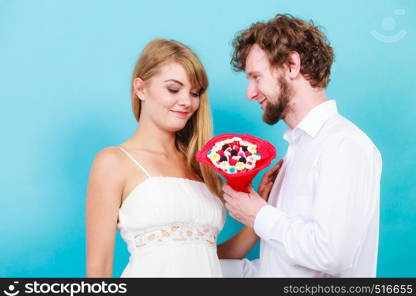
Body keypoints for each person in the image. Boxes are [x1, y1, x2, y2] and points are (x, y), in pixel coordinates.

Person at [218, 14, 382, 277]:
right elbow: (287, 269)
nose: (250, 93)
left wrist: (259, 215)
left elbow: (332, 255)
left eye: (256, 77)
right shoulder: (298, 150)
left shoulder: (343, 144)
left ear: (292, 65)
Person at [86, 39, 226, 277]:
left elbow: (205, 255)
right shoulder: (114, 162)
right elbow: (99, 269)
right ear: (140, 89)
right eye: (173, 89)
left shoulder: (201, 166)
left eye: (194, 93)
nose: (186, 102)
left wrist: (258, 217)